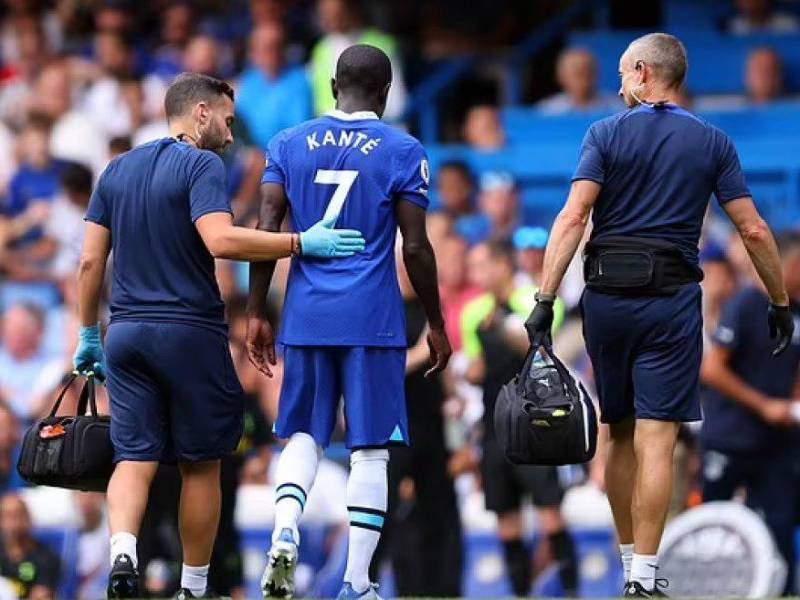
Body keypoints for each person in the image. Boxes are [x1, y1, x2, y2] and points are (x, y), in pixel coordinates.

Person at [72, 72, 366, 599]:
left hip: (126, 334)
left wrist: (87, 333)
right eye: (228, 122)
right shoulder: (202, 163)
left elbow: (91, 259)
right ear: (201, 114)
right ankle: (193, 587)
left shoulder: (115, 171)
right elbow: (221, 240)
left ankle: (123, 553)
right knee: (201, 463)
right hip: (188, 332)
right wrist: (301, 243)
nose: (232, 137)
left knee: (133, 457)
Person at [523, 32, 795, 597]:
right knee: (657, 439)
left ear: (644, 72)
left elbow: (573, 218)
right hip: (670, 303)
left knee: (616, 433)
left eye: (623, 74)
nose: (619, 85)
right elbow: (753, 228)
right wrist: (779, 299)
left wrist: (545, 299)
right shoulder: (712, 141)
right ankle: (645, 579)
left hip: (606, 300)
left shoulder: (603, 134)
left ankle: (626, 565)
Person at [246, 44, 451, 600]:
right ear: (384, 94)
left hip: (306, 314)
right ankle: (357, 582)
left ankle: (283, 532)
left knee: (304, 435)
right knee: (371, 448)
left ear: (334, 86)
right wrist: (435, 320)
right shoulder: (403, 150)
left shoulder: (288, 143)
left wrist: (256, 311)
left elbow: (266, 227)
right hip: (373, 319)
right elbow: (417, 248)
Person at [460, 241, 575, 597]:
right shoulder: (474, 311)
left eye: (480, 266)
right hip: (495, 426)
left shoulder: (534, 299)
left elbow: (538, 350)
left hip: (534, 424)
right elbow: (476, 365)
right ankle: (520, 593)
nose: (475, 275)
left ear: (501, 265)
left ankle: (571, 591)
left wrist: (505, 326)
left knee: (549, 514)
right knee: (506, 521)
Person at [700, 232, 800, 594]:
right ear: (788, 266)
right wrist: (764, 406)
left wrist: (791, 404)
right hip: (731, 436)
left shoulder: (797, 311)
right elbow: (712, 370)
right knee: (714, 526)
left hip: (778, 441)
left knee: (781, 525)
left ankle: (784, 592)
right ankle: (709, 590)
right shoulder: (747, 303)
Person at [309, 0, 407, 120]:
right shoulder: (321, 50)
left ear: (351, 9)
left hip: (376, 130)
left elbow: (396, 104)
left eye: (335, 12)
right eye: (325, 12)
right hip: (330, 132)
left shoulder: (382, 44)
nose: (328, 17)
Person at [236, 22, 313, 149]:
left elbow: (298, 134)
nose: (273, 54)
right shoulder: (248, 81)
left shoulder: (298, 82)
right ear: (253, 53)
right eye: (266, 48)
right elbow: (238, 127)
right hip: (250, 158)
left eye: (278, 47)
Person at [0, 494, 61, 599]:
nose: (15, 522)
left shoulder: (46, 558)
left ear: (29, 518)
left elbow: (42, 595)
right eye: (8, 516)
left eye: (19, 515)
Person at [537, 48, 620, 115]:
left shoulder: (617, 109)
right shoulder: (548, 112)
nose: (585, 79)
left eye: (590, 71)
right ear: (561, 77)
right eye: (578, 73)